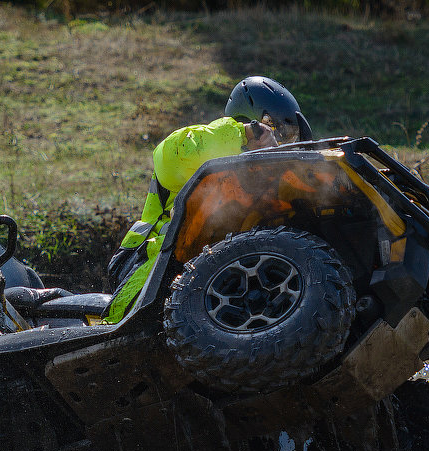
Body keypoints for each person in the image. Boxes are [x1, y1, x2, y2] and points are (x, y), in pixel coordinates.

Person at [103, 76, 313, 323]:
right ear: (256, 121)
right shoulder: (203, 144)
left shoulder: (265, 185)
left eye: (289, 139)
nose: (279, 145)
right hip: (151, 274)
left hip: (217, 292)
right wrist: (243, 135)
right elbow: (169, 156)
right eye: (278, 133)